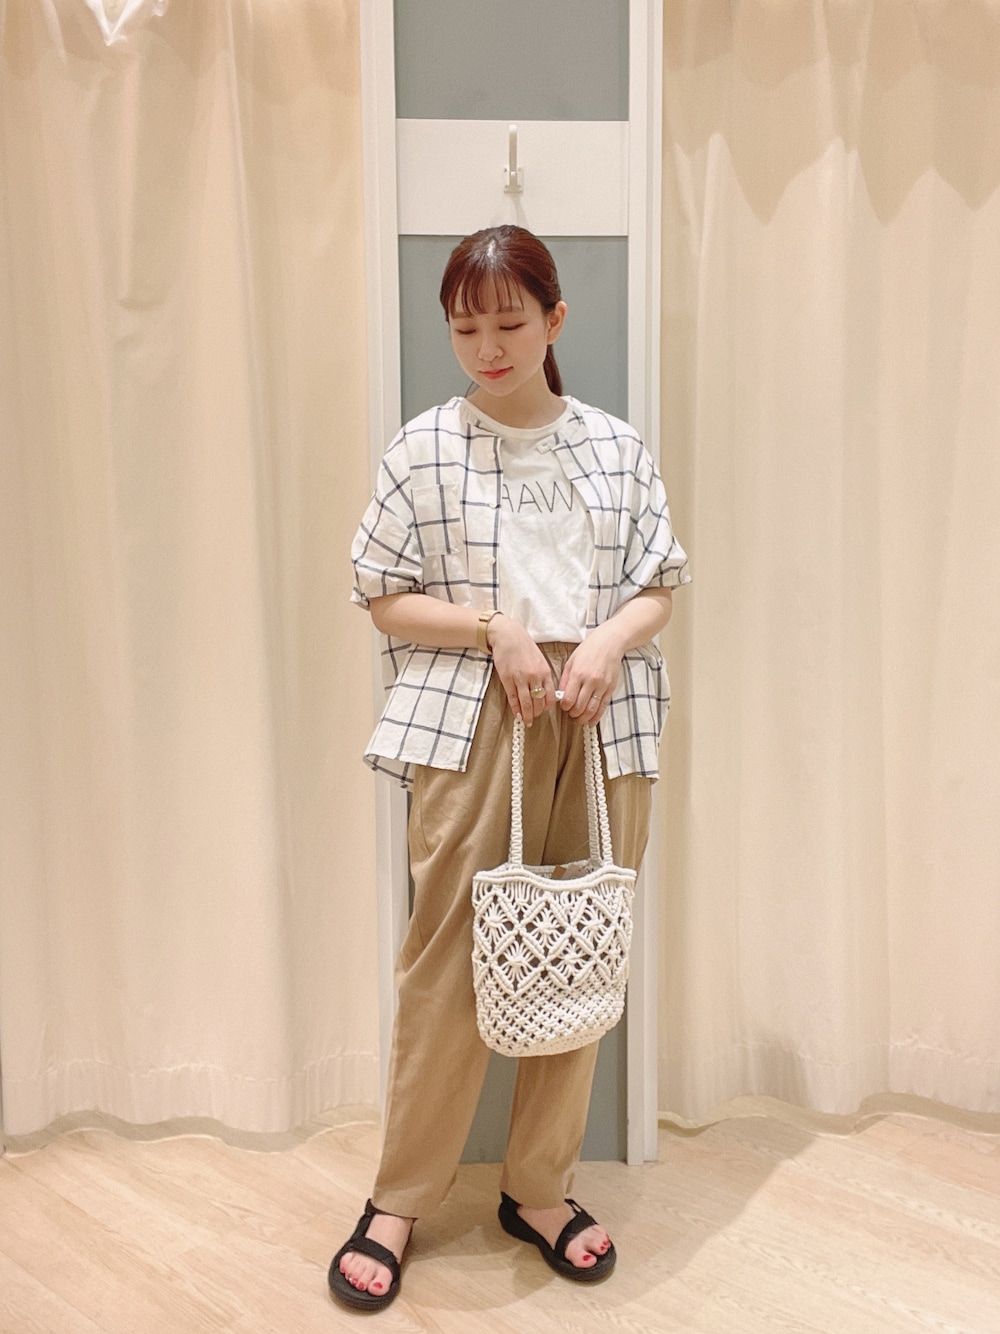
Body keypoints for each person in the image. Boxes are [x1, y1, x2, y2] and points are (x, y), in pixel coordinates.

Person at [329, 225, 689, 1313]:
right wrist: (497, 628)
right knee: (445, 956)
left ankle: (538, 1188)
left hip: (599, 716)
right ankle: (399, 1196)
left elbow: (659, 583)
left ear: (554, 320)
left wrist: (606, 640)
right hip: (472, 722)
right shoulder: (423, 448)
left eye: (509, 323)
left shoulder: (614, 446)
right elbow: (382, 595)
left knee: (578, 951)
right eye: (464, 328)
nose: (486, 347)